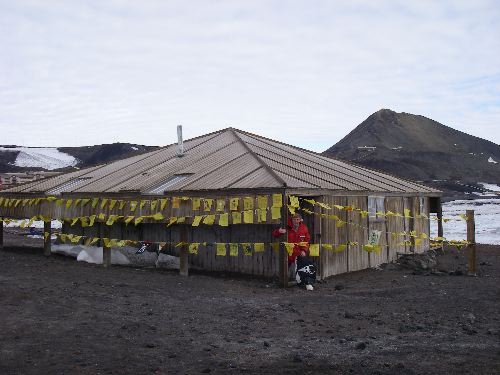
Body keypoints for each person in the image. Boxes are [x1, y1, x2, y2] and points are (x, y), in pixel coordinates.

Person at [272, 213, 315, 290]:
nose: (296, 221)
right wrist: (279, 231)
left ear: (300, 220)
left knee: (303, 268)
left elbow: (306, 240)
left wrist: (304, 250)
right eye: (294, 219)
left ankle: (306, 283)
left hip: (299, 252)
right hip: (287, 252)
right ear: (291, 220)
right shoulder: (285, 226)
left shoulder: (304, 228)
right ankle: (282, 283)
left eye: (297, 219)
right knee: (284, 269)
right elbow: (275, 234)